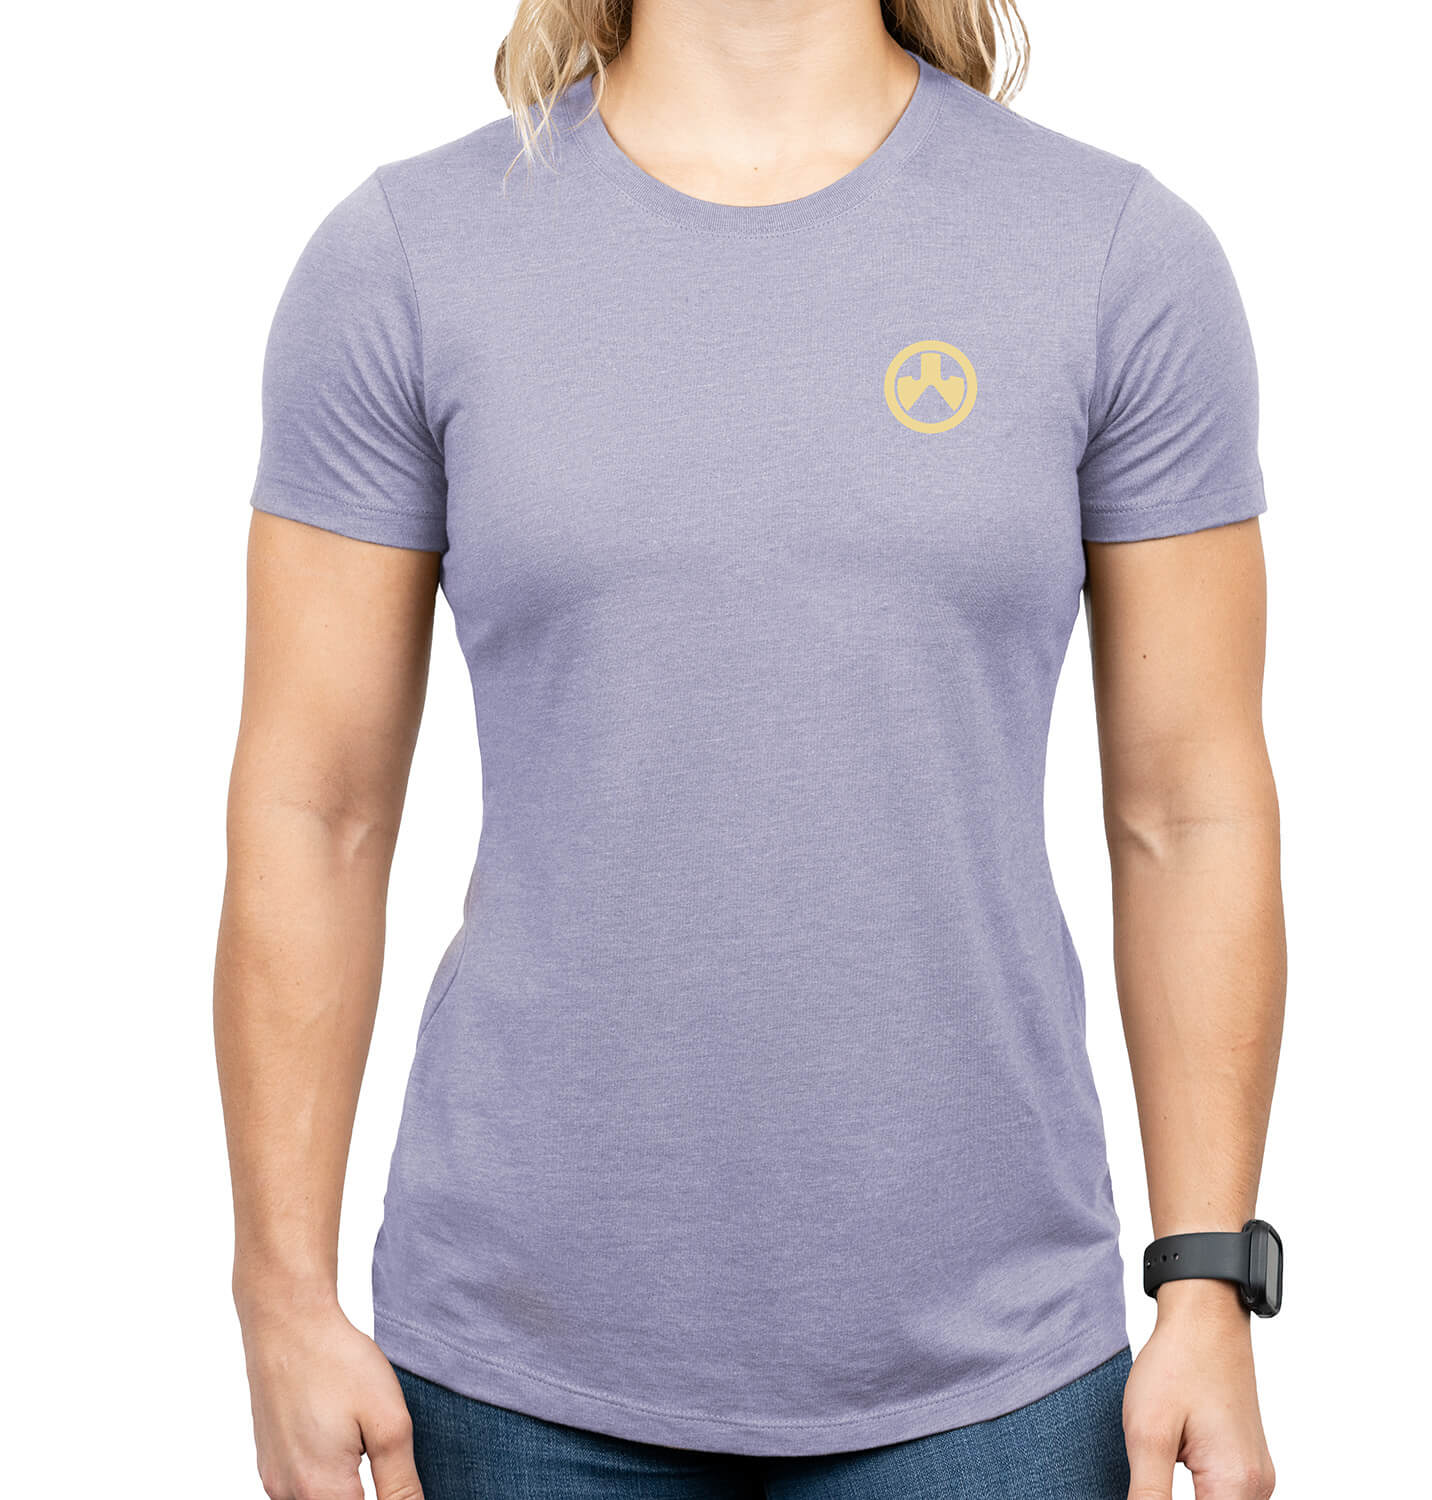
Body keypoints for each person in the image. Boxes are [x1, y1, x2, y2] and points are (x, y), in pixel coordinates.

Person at [214, 1, 1286, 1496]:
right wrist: (279, 1292)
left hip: (992, 1372)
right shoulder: (407, 256)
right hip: (514, 1371)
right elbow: (312, 810)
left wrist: (1208, 1282)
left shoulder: (1111, 253)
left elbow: (1190, 810)